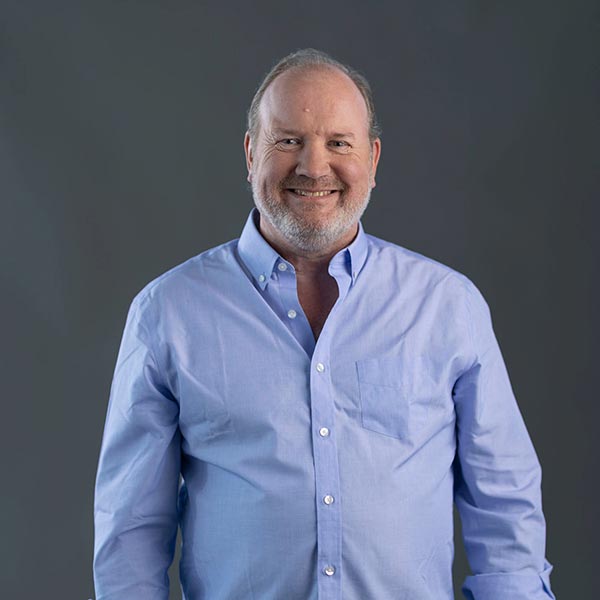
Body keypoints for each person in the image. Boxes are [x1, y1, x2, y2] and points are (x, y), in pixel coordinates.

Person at [93, 48, 556, 600]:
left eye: (339, 143)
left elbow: (504, 505)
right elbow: (130, 531)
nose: (314, 167)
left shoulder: (448, 306)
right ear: (249, 153)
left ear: (373, 159)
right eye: (288, 140)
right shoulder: (167, 313)